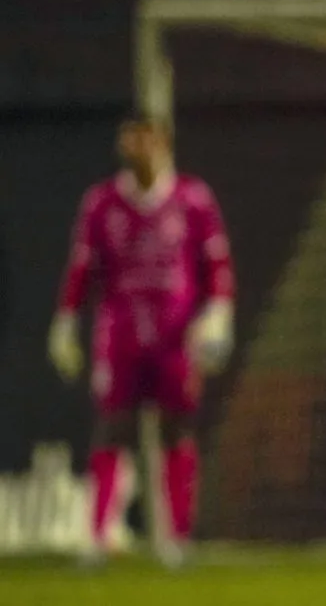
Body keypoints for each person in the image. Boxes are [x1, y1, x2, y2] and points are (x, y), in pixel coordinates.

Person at [48, 117, 235, 567]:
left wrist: (218, 317)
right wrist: (66, 321)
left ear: (164, 142)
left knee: (178, 431)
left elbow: (217, 267)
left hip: (176, 336)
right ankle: (97, 536)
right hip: (121, 334)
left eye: (145, 136)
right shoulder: (102, 202)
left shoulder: (193, 199)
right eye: (129, 136)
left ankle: (177, 540)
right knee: (112, 429)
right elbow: (81, 268)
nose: (135, 145)